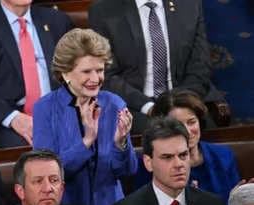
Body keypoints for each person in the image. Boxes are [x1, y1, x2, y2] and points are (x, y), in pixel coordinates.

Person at [33, 28, 137, 205]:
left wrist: (120, 143)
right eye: (86, 71)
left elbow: (128, 171)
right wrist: (87, 141)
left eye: (99, 70)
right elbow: (46, 174)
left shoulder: (114, 104)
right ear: (65, 73)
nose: (95, 78)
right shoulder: (45, 109)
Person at [89, 0, 222, 133]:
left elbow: (200, 64)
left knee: (208, 131)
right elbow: (107, 74)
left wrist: (178, 104)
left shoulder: (188, 4)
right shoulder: (103, 10)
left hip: (183, 95)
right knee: (161, 134)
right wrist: (149, 106)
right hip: (134, 104)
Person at [0, 0, 73, 148]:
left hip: (60, 110)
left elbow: (77, 69)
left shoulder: (57, 20)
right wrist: (12, 118)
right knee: (37, 152)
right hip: (11, 117)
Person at [148, 89, 242, 202]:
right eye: (178, 125)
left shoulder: (223, 155)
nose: (187, 131)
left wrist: (239, 200)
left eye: (191, 122)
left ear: (200, 121)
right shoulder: (154, 163)